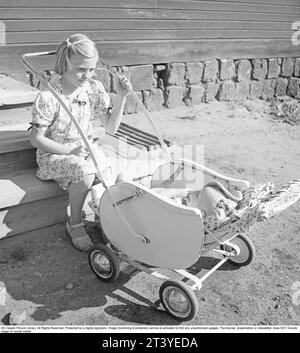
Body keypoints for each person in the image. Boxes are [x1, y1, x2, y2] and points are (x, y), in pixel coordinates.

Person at [29, 33, 132, 252]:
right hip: (56, 154)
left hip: (86, 149)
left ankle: (108, 218)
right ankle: (75, 222)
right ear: (64, 64)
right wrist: (70, 150)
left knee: (113, 172)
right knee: (84, 171)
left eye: (91, 69)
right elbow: (36, 139)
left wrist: (121, 97)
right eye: (81, 69)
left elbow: (111, 128)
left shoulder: (93, 89)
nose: (87, 76)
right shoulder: (49, 97)